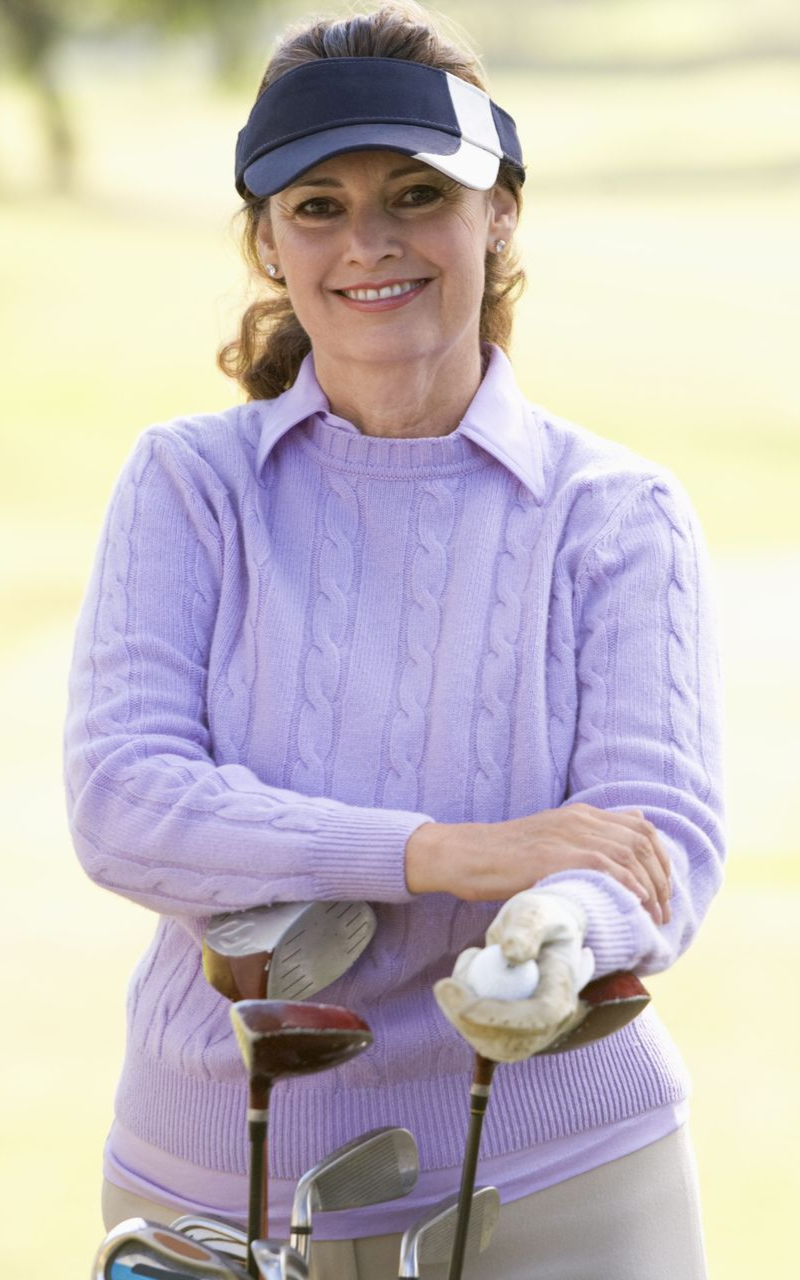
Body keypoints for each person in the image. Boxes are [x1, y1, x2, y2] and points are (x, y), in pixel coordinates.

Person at [64, 4, 724, 1277]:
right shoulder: (188, 485)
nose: (367, 242)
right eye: (317, 205)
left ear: (500, 214)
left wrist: (551, 931)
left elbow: (654, 845)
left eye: (417, 193)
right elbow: (125, 802)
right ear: (266, 238)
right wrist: (453, 854)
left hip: (562, 1178)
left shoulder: (614, 513)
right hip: (215, 1187)